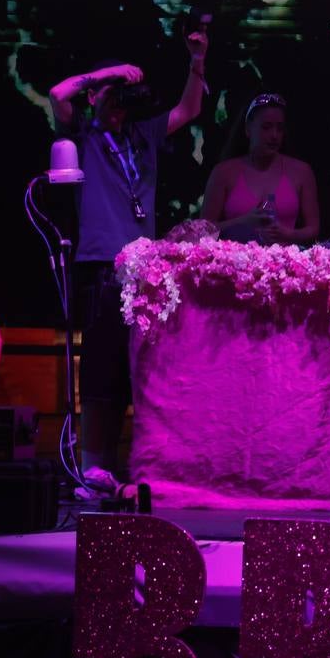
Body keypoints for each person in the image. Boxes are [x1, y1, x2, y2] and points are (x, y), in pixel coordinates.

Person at [49, 29, 209, 497]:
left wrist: (197, 60)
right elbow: (59, 93)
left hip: (144, 273)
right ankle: (94, 470)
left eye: (122, 97)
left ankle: (143, 465)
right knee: (101, 371)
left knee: (143, 372)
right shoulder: (83, 134)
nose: (117, 105)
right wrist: (106, 76)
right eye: (109, 96)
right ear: (96, 96)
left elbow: (189, 110)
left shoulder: (142, 135)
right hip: (101, 266)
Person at [201, 92, 320, 245]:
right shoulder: (223, 173)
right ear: (248, 129)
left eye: (280, 128)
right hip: (233, 265)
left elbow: (313, 229)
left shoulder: (302, 172)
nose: (274, 135)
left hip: (285, 264)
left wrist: (288, 234)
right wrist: (243, 222)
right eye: (266, 127)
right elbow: (203, 230)